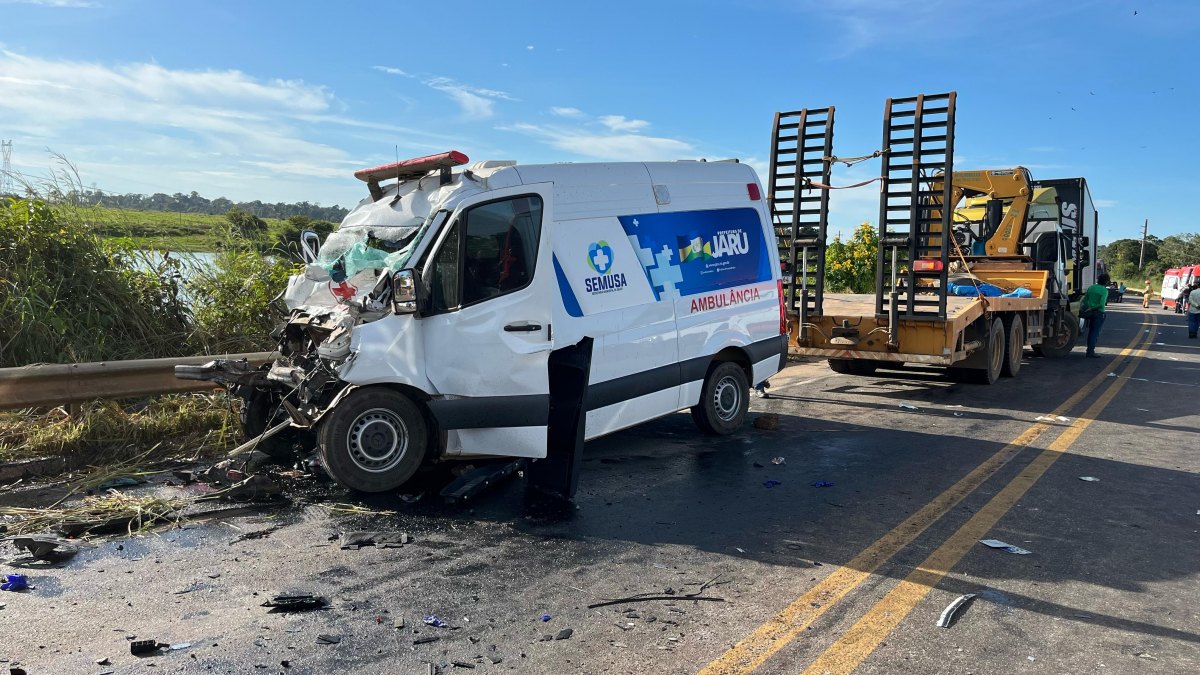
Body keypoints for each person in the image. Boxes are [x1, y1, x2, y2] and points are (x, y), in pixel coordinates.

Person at [1079, 272, 1111, 358]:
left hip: (1089, 313)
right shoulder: (1104, 290)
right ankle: (1090, 351)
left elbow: (1085, 300)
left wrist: (1089, 307)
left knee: (1090, 331)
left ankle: (1089, 351)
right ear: (1106, 282)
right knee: (1095, 332)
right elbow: (1101, 304)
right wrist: (1093, 308)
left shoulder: (1091, 287)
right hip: (1099, 313)